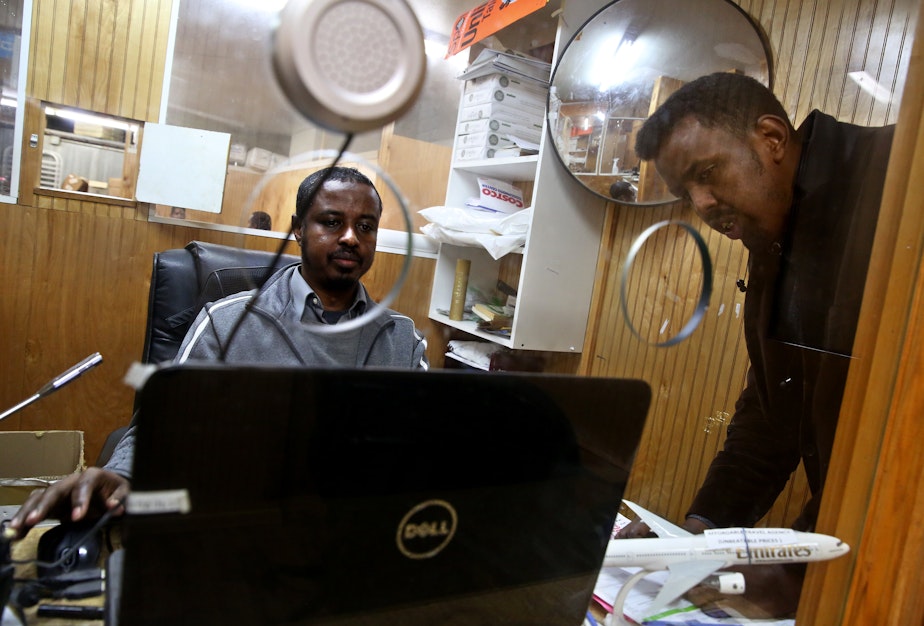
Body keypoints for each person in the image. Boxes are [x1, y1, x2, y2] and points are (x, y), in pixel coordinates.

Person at [9, 166, 429, 537]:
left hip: (354, 535)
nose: (352, 238)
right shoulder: (225, 323)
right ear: (298, 229)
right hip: (243, 526)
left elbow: (423, 448)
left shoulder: (402, 340)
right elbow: (160, 424)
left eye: (367, 226)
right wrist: (121, 477)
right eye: (332, 222)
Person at [616, 72, 894, 616]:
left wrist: (793, 573)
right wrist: (697, 532)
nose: (702, 202)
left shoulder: (895, 178)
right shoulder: (774, 231)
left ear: (771, 139)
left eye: (708, 173)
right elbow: (772, 415)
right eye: (685, 192)